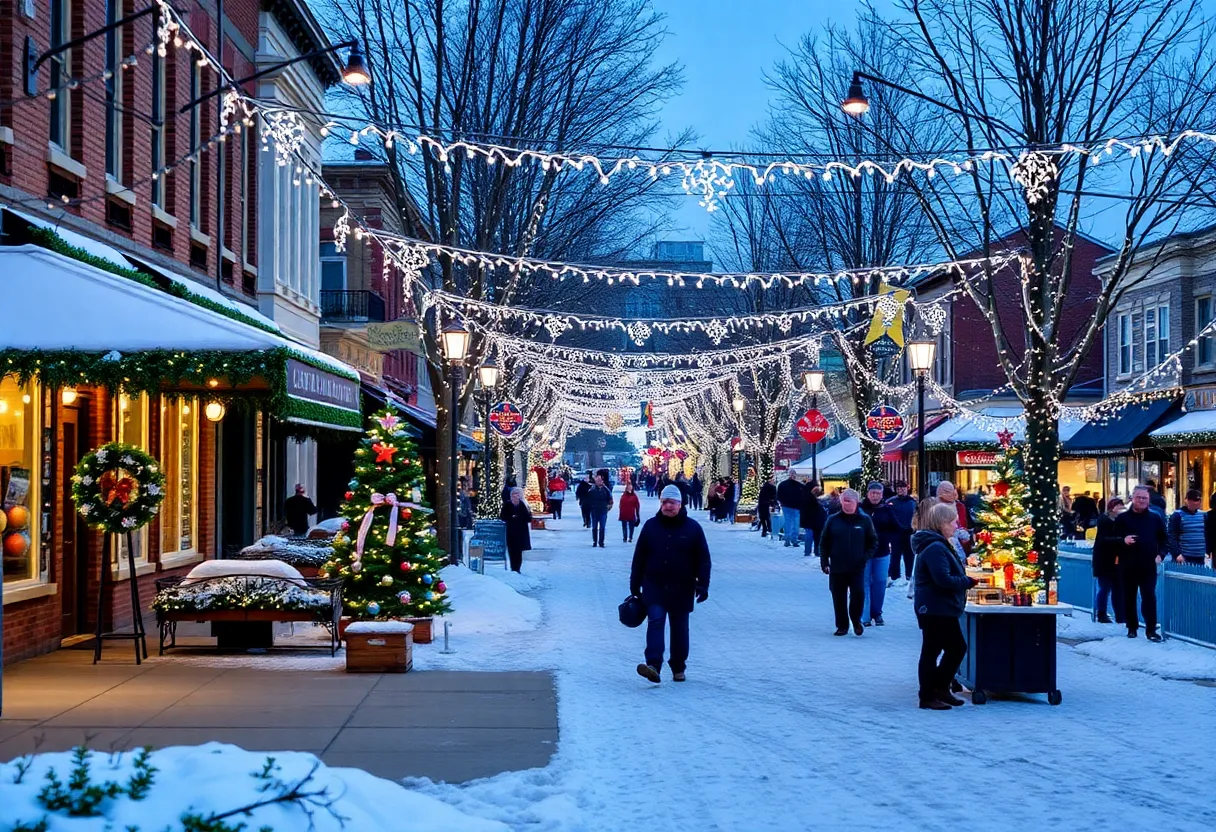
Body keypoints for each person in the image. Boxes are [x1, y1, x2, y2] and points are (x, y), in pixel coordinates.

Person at [630, 485, 711, 684]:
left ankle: (678, 667)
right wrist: (635, 584)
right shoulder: (650, 526)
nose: (667, 506)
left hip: (682, 587)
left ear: (680, 504)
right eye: (664, 502)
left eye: (672, 503)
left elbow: (703, 559)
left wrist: (703, 585)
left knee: (679, 628)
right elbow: (639, 557)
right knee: (655, 621)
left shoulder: (693, 528)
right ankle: (653, 665)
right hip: (654, 585)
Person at [911, 501, 980, 710]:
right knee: (936, 650)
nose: (956, 527)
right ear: (941, 523)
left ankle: (939, 688)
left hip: (940, 607)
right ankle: (928, 694)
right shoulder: (935, 547)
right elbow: (943, 579)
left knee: (954, 648)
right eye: (952, 522)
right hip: (935, 608)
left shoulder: (938, 544)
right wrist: (967, 581)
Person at [819, 489, 877, 636]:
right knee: (838, 596)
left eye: (849, 501)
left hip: (857, 566)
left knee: (858, 594)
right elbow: (824, 542)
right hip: (837, 566)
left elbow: (873, 541)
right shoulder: (833, 520)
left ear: (856, 503)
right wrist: (824, 562)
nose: (846, 504)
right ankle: (842, 625)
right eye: (843, 501)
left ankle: (856, 620)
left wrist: (865, 556)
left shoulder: (864, 521)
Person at [1113, 485, 1167, 641]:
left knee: (1149, 596)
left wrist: (1161, 555)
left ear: (1149, 500)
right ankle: (1132, 627)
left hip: (1148, 564)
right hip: (1128, 564)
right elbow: (1112, 539)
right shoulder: (1122, 519)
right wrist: (1123, 540)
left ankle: (1151, 629)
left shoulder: (1155, 518)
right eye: (1139, 498)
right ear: (1132, 498)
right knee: (1129, 596)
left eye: (1145, 498)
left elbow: (1164, 539)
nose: (1142, 501)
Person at [859, 482, 896, 626]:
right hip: (864, 552)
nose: (875, 496)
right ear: (867, 493)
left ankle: (877, 612)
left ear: (882, 495)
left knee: (880, 582)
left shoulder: (887, 509)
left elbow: (896, 527)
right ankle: (865, 616)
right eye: (873, 493)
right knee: (864, 582)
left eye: (878, 493)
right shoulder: (861, 509)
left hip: (882, 551)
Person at [1093, 496, 1126, 624]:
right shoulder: (1104, 520)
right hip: (1104, 560)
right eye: (1119, 506)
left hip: (1117, 560)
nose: (1121, 508)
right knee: (1105, 587)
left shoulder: (1121, 521)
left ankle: (1120, 615)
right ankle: (1101, 613)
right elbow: (1104, 539)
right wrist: (1120, 540)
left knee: (1118, 588)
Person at [887, 481, 918, 582]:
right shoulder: (891, 502)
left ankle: (909, 575)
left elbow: (916, 516)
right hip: (895, 533)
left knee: (909, 555)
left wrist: (913, 528)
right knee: (895, 555)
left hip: (909, 532)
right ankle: (894, 576)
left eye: (902, 488)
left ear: (907, 488)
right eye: (898, 488)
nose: (900, 490)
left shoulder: (913, 502)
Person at [1168, 489, 1207, 565]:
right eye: (1194, 500)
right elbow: (1171, 536)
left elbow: (1207, 534)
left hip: (1200, 557)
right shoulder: (1177, 515)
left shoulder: (1203, 515)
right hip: (1183, 557)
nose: (1197, 503)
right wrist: (1177, 554)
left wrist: (1208, 551)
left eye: (1198, 500)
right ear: (1187, 501)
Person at [499, 487, 532, 572]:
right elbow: (503, 516)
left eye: (517, 494)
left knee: (519, 551)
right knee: (512, 550)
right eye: (513, 494)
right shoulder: (507, 505)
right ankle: (513, 568)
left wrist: (519, 517)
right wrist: (511, 517)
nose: (515, 496)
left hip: (521, 532)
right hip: (511, 531)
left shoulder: (523, 505)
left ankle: (517, 568)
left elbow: (528, 518)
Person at [935, 481, 971, 553]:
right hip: (942, 544)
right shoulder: (935, 508)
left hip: (959, 544)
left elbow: (964, 524)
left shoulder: (960, 506)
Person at [586, 473, 614, 548]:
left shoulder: (606, 490)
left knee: (602, 527)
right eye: (597, 480)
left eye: (600, 480)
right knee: (594, 527)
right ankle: (595, 541)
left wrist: (608, 507)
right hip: (594, 511)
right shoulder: (592, 490)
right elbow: (588, 500)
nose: (599, 482)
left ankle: (601, 542)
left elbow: (610, 500)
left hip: (603, 511)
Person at [776, 473, 804, 547]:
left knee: (788, 522)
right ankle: (794, 540)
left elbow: (778, 496)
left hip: (786, 506)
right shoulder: (799, 485)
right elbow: (803, 495)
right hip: (796, 507)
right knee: (795, 523)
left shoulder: (782, 484)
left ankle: (787, 539)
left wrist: (782, 502)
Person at [801, 483, 827, 558]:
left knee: (810, 535)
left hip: (809, 520)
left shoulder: (806, 497)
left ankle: (808, 551)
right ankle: (816, 551)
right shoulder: (815, 500)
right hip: (816, 521)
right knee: (816, 536)